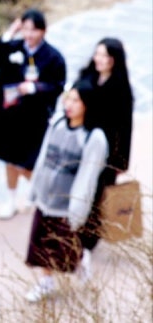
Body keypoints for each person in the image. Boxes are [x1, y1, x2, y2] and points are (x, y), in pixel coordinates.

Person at [0, 9, 66, 219]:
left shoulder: (53, 57)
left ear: (43, 31)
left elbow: (57, 86)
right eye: (25, 29)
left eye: (34, 30)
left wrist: (34, 88)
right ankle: (12, 199)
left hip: (34, 118)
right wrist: (9, 33)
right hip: (10, 114)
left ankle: (43, 195)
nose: (29, 35)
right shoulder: (14, 47)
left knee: (28, 162)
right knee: (9, 159)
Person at [24, 80, 108, 302]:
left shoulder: (93, 137)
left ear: (87, 104)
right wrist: (34, 190)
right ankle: (46, 282)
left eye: (76, 100)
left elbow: (87, 178)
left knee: (64, 248)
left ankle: (82, 261)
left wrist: (77, 210)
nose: (69, 104)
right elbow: (44, 156)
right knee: (41, 246)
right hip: (45, 199)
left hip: (66, 205)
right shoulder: (58, 123)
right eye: (68, 98)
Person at [75, 37, 134, 280]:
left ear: (114, 60)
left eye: (105, 55)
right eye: (97, 54)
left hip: (107, 152)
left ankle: (87, 246)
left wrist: (121, 161)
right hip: (84, 145)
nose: (99, 59)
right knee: (81, 192)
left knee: (97, 198)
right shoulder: (88, 77)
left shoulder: (120, 88)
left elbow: (124, 128)